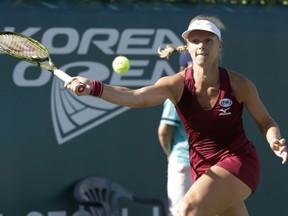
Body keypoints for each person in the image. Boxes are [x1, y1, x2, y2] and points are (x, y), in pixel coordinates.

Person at [64, 15, 287, 216]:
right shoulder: (176, 84)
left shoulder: (240, 85)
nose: (201, 46)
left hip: (239, 161)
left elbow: (265, 121)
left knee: (188, 210)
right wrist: (93, 86)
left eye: (208, 40)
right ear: (187, 47)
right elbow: (136, 96)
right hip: (201, 168)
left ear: (219, 46)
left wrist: (273, 139)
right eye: (195, 41)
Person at [158, 51, 192, 216]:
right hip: (183, 165)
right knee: (179, 213)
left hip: (207, 166)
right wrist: (171, 156)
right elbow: (164, 132)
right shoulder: (176, 95)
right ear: (183, 68)